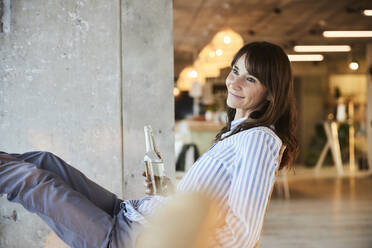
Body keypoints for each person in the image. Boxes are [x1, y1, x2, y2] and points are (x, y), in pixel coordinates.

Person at [0, 41, 298, 248]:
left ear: (271, 94)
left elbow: (241, 234)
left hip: (134, 238)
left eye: (250, 78)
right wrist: (170, 194)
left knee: (31, 180)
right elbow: (209, 207)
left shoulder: (261, 140)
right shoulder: (239, 133)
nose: (234, 82)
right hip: (132, 213)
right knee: (44, 161)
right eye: (235, 70)